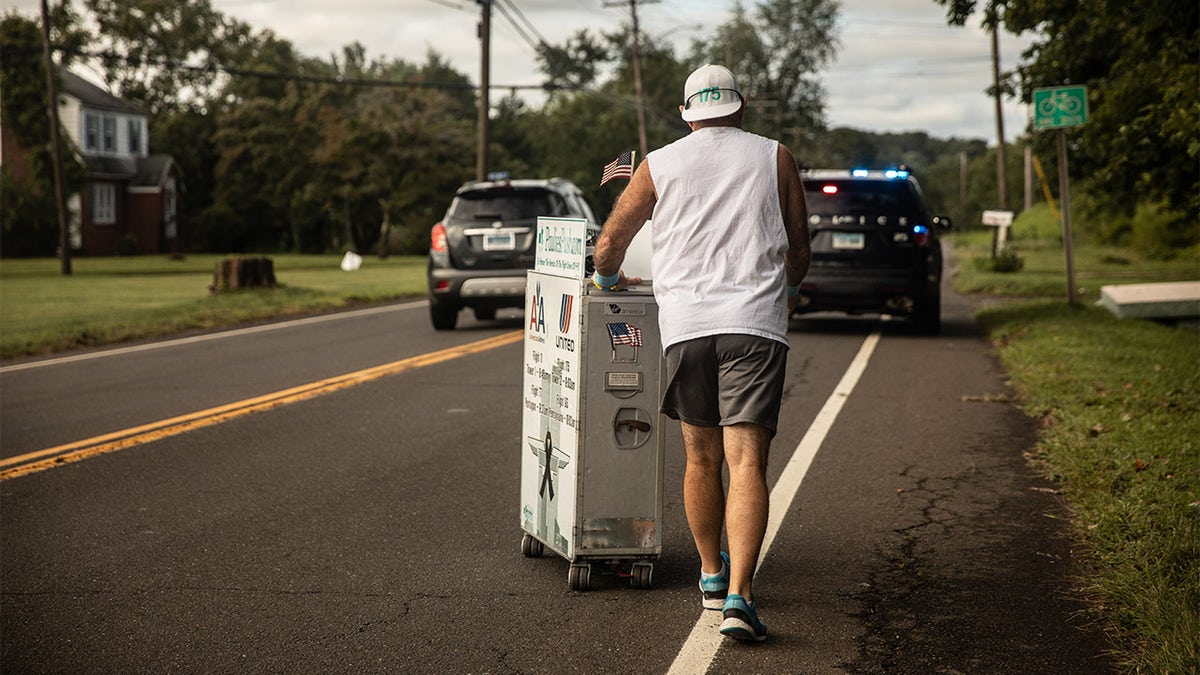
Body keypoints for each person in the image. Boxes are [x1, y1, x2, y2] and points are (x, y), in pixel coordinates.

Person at [591, 64, 811, 642]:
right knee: (747, 462)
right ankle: (740, 596)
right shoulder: (774, 156)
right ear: (740, 107)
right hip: (755, 327)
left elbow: (610, 245)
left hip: (686, 327)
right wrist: (786, 293)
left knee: (699, 457)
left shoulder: (658, 164)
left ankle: (710, 575)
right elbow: (798, 244)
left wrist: (610, 282)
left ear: (688, 113)